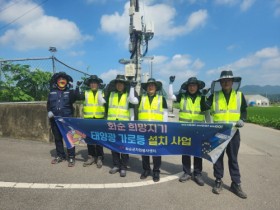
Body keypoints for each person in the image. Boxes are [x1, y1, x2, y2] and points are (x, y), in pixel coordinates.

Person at [202, 70, 248, 199]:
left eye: (228, 80)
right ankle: (218, 180)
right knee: (218, 157)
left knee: (233, 159)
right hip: (218, 132)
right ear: (220, 83)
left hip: (233, 132)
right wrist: (203, 96)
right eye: (223, 81)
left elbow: (244, 111)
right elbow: (204, 107)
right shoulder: (214, 95)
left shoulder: (239, 95)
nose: (226, 82)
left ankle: (236, 183)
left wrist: (242, 119)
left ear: (232, 82)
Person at [168, 76, 208, 186]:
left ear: (197, 86)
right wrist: (171, 83)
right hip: (185, 130)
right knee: (186, 152)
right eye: (190, 85)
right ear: (187, 87)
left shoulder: (202, 97)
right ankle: (186, 172)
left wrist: (209, 127)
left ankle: (198, 174)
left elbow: (206, 112)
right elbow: (171, 96)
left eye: (194, 85)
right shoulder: (182, 96)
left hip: (198, 130)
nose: (192, 87)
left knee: (198, 153)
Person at [105, 75, 138, 177]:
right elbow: (106, 108)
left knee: (123, 146)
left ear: (124, 85)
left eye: (121, 83)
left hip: (124, 125)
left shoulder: (129, 95)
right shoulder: (111, 94)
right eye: (117, 83)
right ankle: (116, 165)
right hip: (112, 124)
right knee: (114, 145)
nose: (119, 85)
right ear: (115, 85)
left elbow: (132, 110)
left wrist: (131, 124)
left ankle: (123, 166)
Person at [138, 78, 168, 182]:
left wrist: (165, 128)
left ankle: (156, 171)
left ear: (156, 88)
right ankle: (146, 170)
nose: (151, 87)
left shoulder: (161, 98)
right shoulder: (141, 98)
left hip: (157, 129)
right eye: (149, 85)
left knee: (156, 151)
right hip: (143, 129)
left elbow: (165, 114)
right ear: (146, 88)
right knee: (144, 150)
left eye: (153, 85)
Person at [47, 72, 78, 167]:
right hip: (55, 120)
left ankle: (71, 157)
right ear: (56, 81)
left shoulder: (69, 92)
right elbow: (48, 104)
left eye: (63, 79)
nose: (61, 81)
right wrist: (49, 111)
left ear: (67, 82)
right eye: (59, 79)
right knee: (57, 138)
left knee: (69, 138)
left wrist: (73, 88)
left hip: (66, 120)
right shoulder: (52, 92)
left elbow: (75, 98)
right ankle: (60, 155)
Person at [76, 75, 106, 168]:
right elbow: (76, 96)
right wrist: (77, 87)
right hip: (88, 119)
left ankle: (100, 157)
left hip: (99, 119)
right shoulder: (86, 93)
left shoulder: (103, 92)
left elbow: (107, 104)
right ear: (89, 84)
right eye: (91, 83)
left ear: (98, 84)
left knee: (99, 139)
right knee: (89, 138)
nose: (93, 84)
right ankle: (91, 156)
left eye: (95, 83)